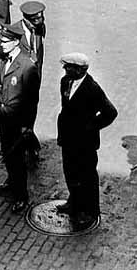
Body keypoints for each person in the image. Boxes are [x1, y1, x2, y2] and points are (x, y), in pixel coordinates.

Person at [0, 24, 40, 214]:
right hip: (3, 117)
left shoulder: (27, 66)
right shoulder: (3, 61)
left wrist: (27, 126)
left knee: (17, 158)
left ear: (16, 42)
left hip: (18, 120)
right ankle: (11, 181)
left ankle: (21, 196)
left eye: (6, 41)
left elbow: (32, 101)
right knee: (7, 152)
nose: (2, 44)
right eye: (1, 41)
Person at [55, 53, 117, 228]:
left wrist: (90, 126)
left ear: (81, 69)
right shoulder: (65, 81)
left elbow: (111, 112)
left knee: (86, 177)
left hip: (84, 143)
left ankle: (89, 211)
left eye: (69, 67)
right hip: (68, 138)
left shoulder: (92, 89)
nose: (65, 69)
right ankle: (73, 201)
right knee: (70, 172)